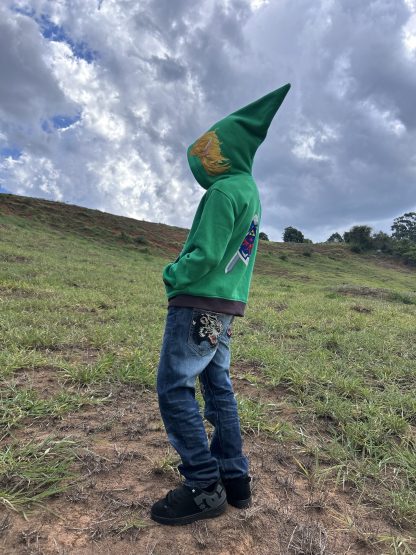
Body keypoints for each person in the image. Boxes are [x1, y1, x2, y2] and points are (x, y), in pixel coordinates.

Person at [151, 84, 291, 525]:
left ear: (222, 153)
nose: (202, 165)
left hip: (196, 303)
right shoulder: (250, 192)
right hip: (225, 307)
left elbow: (206, 254)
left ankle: (203, 484)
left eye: (207, 155)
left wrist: (173, 273)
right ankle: (235, 478)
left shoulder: (223, 191)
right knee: (217, 386)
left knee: (174, 387)